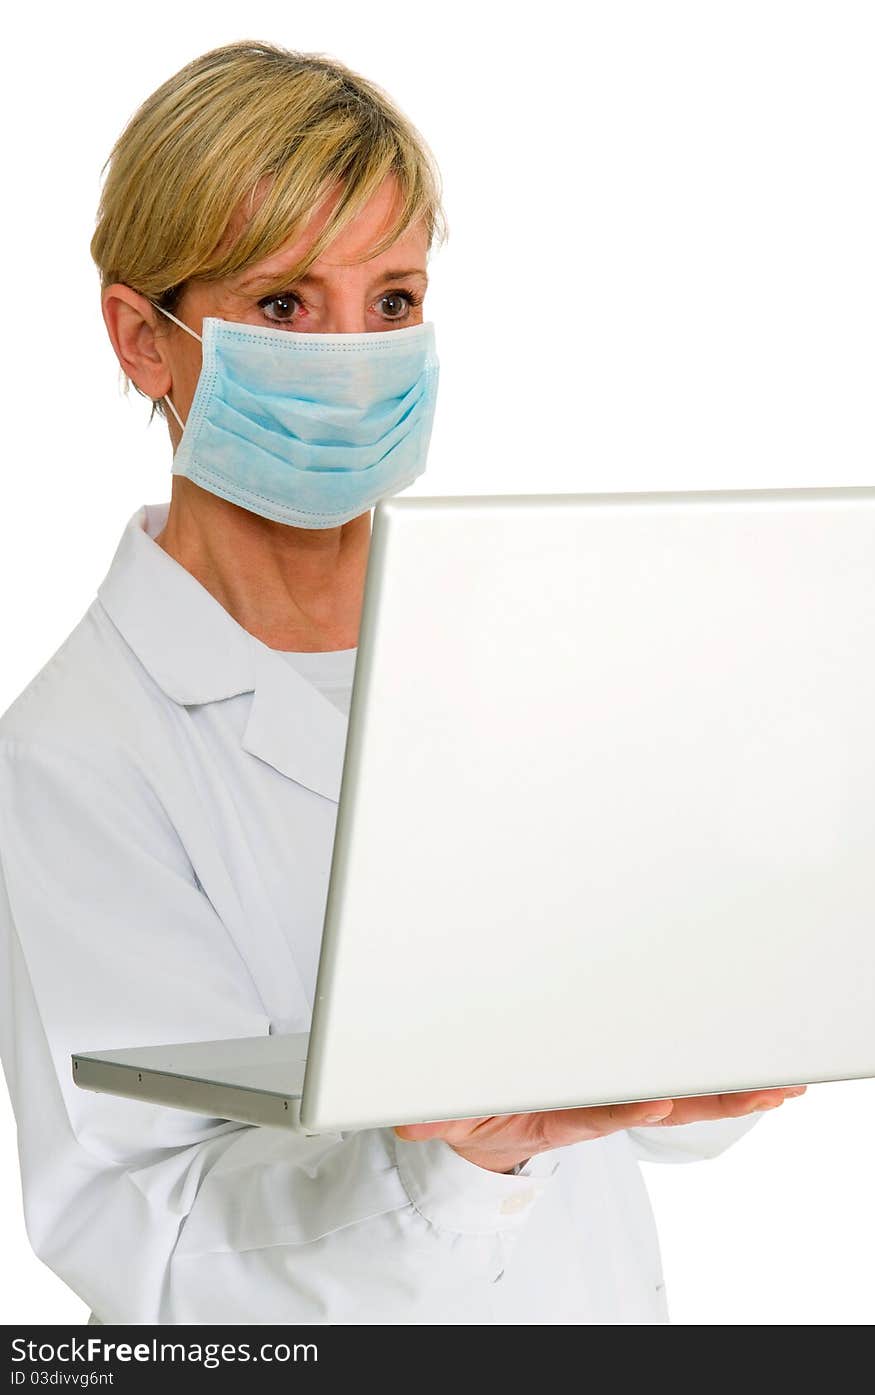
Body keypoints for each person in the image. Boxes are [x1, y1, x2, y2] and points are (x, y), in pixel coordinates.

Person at [0, 39, 806, 1326]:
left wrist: (760, 955)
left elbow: (660, 1128)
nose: (350, 354)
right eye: (282, 305)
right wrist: (466, 1157)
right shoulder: (77, 753)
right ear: (141, 339)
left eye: (391, 300)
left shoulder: (549, 658)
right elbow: (155, 1256)